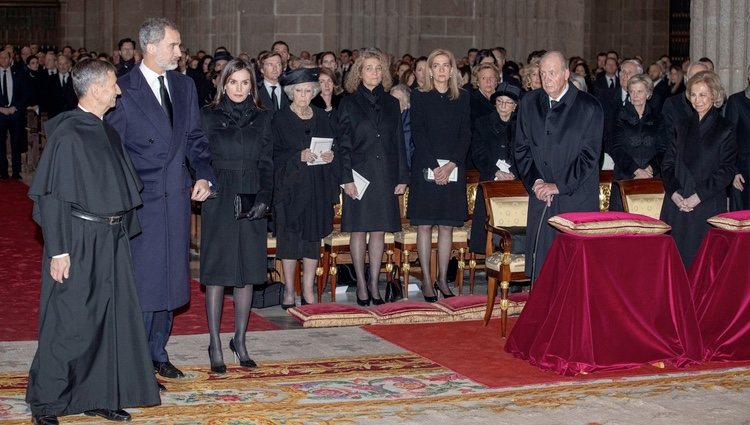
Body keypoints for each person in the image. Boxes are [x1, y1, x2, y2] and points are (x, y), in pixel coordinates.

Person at [26, 58, 160, 425]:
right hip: (78, 239)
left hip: (111, 239)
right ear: (97, 88)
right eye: (114, 84)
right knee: (68, 322)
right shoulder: (68, 134)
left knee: (109, 319)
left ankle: (99, 395)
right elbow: (52, 196)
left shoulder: (107, 130)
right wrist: (59, 250)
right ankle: (47, 403)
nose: (118, 90)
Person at [107, 17, 216, 383]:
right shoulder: (122, 89)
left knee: (171, 280)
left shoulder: (184, 86)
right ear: (151, 47)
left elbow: (196, 139)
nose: (180, 52)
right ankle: (136, 362)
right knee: (144, 282)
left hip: (177, 198)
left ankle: (157, 352)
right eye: (174, 45)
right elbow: (112, 152)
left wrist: (204, 174)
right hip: (142, 203)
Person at [199, 58, 272, 373]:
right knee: (218, 271)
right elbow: (198, 157)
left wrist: (266, 198)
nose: (239, 89)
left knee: (247, 271)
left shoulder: (264, 117)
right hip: (220, 194)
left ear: (252, 85)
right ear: (223, 84)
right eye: (233, 82)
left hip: (252, 193)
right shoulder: (207, 116)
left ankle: (239, 340)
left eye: (245, 83)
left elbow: (269, 161)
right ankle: (215, 343)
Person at [514, 51, 603, 280]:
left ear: (566, 73)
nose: (547, 78)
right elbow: (521, 149)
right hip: (540, 195)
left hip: (575, 198)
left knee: (572, 269)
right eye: (542, 73)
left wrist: (557, 186)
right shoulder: (529, 103)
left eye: (552, 73)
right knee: (543, 269)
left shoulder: (589, 107)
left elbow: (589, 157)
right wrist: (537, 182)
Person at [338, 48, 409, 305]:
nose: (375, 73)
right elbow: (342, 144)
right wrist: (346, 179)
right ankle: (360, 285)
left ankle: (374, 284)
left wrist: (402, 176)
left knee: (378, 231)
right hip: (359, 175)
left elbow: (399, 142)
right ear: (359, 72)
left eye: (378, 68)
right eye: (369, 68)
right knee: (359, 231)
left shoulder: (392, 102)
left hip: (385, 175)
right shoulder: (348, 102)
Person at [408, 48, 471, 302]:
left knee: (446, 226)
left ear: (452, 69)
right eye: (437, 65)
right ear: (430, 70)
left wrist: (451, 164)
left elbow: (465, 134)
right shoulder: (420, 97)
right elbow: (419, 134)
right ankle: (426, 280)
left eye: (446, 65)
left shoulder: (463, 97)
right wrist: (436, 166)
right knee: (425, 226)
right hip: (427, 167)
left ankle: (443, 279)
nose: (442, 70)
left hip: (453, 168)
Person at [272, 67, 338, 307]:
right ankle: (290, 291)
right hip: (289, 189)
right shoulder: (279, 118)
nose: (303, 95)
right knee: (290, 241)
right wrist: (297, 156)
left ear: (314, 92)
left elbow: (333, 146)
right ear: (290, 92)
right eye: (299, 91)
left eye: (308, 91)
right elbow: (272, 155)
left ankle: (308, 291)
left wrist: (331, 156)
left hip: (316, 187)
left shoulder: (322, 116)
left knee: (312, 240)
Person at [660, 71, 737, 267]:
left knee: (702, 263)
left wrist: (698, 196)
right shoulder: (682, 125)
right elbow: (667, 164)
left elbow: (726, 170)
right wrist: (675, 193)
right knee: (675, 261)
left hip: (706, 203)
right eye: (693, 94)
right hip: (677, 201)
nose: (697, 100)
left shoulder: (725, 128)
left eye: (702, 95)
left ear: (714, 95)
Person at [469, 83, 520, 254]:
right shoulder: (483, 123)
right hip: (491, 178)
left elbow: (526, 152)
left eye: (508, 103)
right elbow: (478, 152)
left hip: (515, 181)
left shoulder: (522, 125)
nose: (503, 107)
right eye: (499, 102)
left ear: (515, 106)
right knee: (488, 220)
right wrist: (496, 171)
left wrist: (514, 172)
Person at [609, 74, 668, 211]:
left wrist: (649, 169)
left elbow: (663, 148)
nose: (635, 95)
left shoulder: (658, 118)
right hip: (625, 177)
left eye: (639, 91)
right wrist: (636, 171)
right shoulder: (619, 116)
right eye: (632, 91)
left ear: (648, 94)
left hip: (652, 177)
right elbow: (616, 148)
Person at [725, 65, 750, 211]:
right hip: (743, 172)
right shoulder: (736, 101)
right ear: (748, 76)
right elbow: (729, 139)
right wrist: (733, 171)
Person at [0, 49, 28, 179]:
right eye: (1, 58)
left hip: (15, 113)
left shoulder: (19, 73)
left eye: (6, 58)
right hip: (0, 113)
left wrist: (15, 107)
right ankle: (3, 171)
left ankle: (16, 172)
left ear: (10, 59)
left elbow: (24, 94)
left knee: (16, 142)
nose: (3, 60)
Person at [389, 83, 415, 168]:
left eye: (398, 99)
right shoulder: (387, 117)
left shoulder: (409, 121)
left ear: (406, 102)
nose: (393, 102)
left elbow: (407, 149)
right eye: (391, 98)